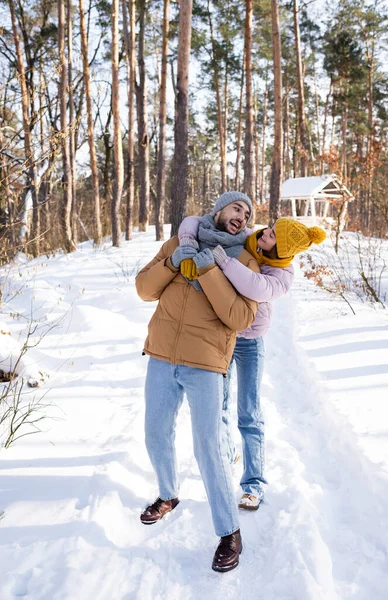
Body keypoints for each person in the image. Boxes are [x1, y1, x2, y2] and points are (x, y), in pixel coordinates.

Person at [135, 191, 260, 573]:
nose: (241, 215)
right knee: (155, 433)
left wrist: (208, 271)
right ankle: (168, 496)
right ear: (218, 210)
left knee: (207, 447)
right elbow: (144, 289)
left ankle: (229, 532)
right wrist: (173, 261)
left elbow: (240, 317)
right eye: (236, 207)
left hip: (205, 363)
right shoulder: (178, 242)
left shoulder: (244, 258)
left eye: (248, 213)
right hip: (161, 355)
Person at [178, 217, 326, 510]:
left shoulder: (283, 274)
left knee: (249, 411)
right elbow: (194, 221)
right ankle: (228, 453)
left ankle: (253, 484)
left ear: (281, 249)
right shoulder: (249, 238)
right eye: (268, 229)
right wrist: (186, 242)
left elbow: (256, 287)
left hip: (248, 343)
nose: (263, 234)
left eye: (271, 236)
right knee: (216, 405)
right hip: (220, 335)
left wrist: (227, 263)